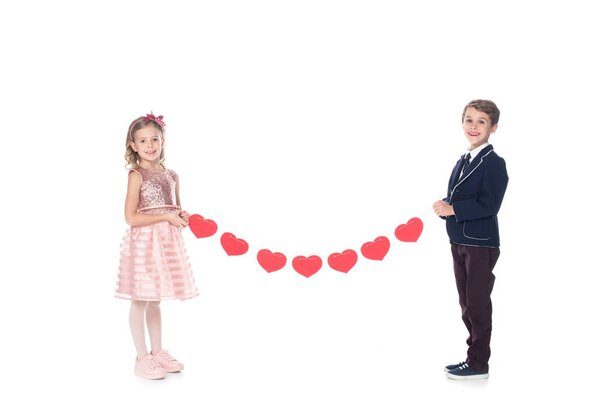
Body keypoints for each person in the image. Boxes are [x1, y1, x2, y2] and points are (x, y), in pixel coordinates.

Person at [115, 113, 199, 380]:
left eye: (155, 139)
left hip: (165, 243)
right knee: (141, 298)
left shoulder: (172, 175)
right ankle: (142, 357)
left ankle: (158, 350)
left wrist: (182, 217)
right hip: (144, 243)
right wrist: (165, 217)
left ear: (162, 141)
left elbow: (175, 208)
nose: (150, 145)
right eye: (143, 140)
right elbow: (131, 217)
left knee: (156, 300)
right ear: (133, 145)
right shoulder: (136, 175)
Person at [433, 99, 509, 380]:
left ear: (493, 128)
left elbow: (490, 204)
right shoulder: (463, 161)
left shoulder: (494, 163)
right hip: (459, 239)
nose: (474, 126)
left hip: (480, 244)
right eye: (469, 120)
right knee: (466, 303)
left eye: (481, 122)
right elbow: (461, 197)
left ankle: (479, 363)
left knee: (477, 303)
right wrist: (446, 206)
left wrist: (454, 209)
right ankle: (472, 358)